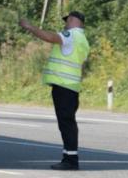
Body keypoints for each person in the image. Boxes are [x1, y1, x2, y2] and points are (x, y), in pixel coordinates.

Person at [19, 11, 90, 170]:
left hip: (64, 86)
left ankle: (71, 160)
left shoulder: (71, 35)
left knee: (66, 124)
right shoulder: (83, 40)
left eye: (67, 21)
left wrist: (30, 27)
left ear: (72, 20)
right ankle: (69, 157)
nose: (65, 24)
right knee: (67, 123)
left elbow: (50, 37)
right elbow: (82, 65)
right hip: (72, 87)